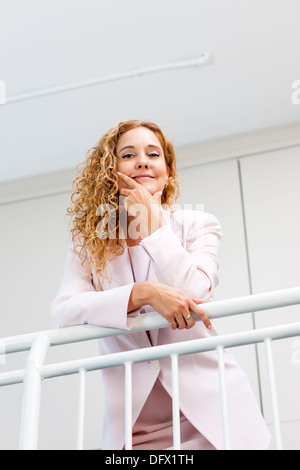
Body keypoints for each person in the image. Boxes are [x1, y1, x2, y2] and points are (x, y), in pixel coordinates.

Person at [50, 120, 271, 450]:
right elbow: (63, 312)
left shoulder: (198, 224)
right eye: (128, 154)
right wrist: (143, 293)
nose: (142, 161)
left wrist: (152, 223)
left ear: (167, 172)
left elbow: (196, 290)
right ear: (109, 170)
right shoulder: (91, 241)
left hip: (213, 417)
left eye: (153, 154)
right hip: (135, 429)